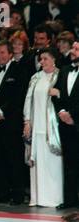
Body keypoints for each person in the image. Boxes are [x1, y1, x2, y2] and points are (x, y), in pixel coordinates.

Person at [0, 40, 28, 206]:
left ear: (10, 53)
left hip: (11, 122)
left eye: (3, 52)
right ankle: (1, 194)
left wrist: (1, 111)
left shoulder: (20, 71)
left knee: (14, 159)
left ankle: (17, 195)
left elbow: (19, 96)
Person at [23, 47, 63, 208]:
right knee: (37, 162)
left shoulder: (60, 75)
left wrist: (58, 93)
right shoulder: (36, 77)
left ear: (53, 59)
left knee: (52, 162)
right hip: (37, 125)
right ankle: (37, 197)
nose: (42, 62)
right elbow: (28, 99)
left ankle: (53, 198)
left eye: (45, 58)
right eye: (41, 59)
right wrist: (27, 121)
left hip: (52, 127)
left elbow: (66, 96)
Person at [51, 39, 79, 210]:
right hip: (65, 124)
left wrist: (73, 116)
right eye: (73, 48)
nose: (73, 51)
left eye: (76, 49)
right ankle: (70, 200)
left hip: (76, 122)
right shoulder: (64, 70)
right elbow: (55, 93)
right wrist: (61, 112)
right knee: (69, 163)